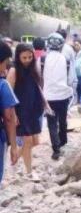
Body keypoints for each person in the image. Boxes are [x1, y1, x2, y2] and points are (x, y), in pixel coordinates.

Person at [7, 43, 46, 177]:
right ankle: (29, 172)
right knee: (28, 141)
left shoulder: (33, 68)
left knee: (35, 142)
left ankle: (14, 159)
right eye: (24, 58)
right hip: (20, 111)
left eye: (30, 57)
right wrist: (13, 114)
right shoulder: (14, 71)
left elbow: (37, 88)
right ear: (18, 57)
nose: (28, 60)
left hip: (33, 110)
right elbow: (9, 95)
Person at [43, 32, 73, 160]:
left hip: (49, 96)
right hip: (63, 95)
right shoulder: (66, 60)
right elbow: (70, 79)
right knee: (62, 120)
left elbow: (40, 77)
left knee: (52, 123)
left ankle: (56, 149)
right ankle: (63, 141)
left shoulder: (43, 59)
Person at [0, 41, 19, 185]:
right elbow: (9, 117)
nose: (6, 66)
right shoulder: (3, 85)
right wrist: (13, 146)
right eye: (6, 62)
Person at [59, 28, 77, 107]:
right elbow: (73, 62)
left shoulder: (52, 49)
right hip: (68, 77)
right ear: (66, 37)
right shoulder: (69, 48)